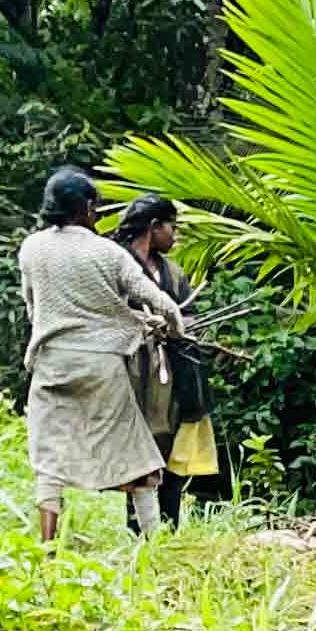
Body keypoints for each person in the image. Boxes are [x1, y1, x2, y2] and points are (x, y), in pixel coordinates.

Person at [17, 165, 187, 541]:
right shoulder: (106, 253)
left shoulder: (31, 249)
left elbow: (33, 306)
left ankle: (46, 548)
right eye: (95, 206)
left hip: (51, 364)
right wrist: (175, 328)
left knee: (50, 459)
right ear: (84, 208)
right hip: (102, 366)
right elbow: (157, 301)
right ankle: (154, 541)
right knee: (137, 456)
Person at [111, 193, 223, 523]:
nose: (175, 236)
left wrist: (180, 326)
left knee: (173, 444)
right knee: (139, 445)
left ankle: (170, 521)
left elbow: (190, 316)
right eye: (171, 227)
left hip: (175, 368)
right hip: (134, 369)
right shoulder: (118, 263)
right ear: (154, 227)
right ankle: (139, 525)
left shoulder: (172, 273)